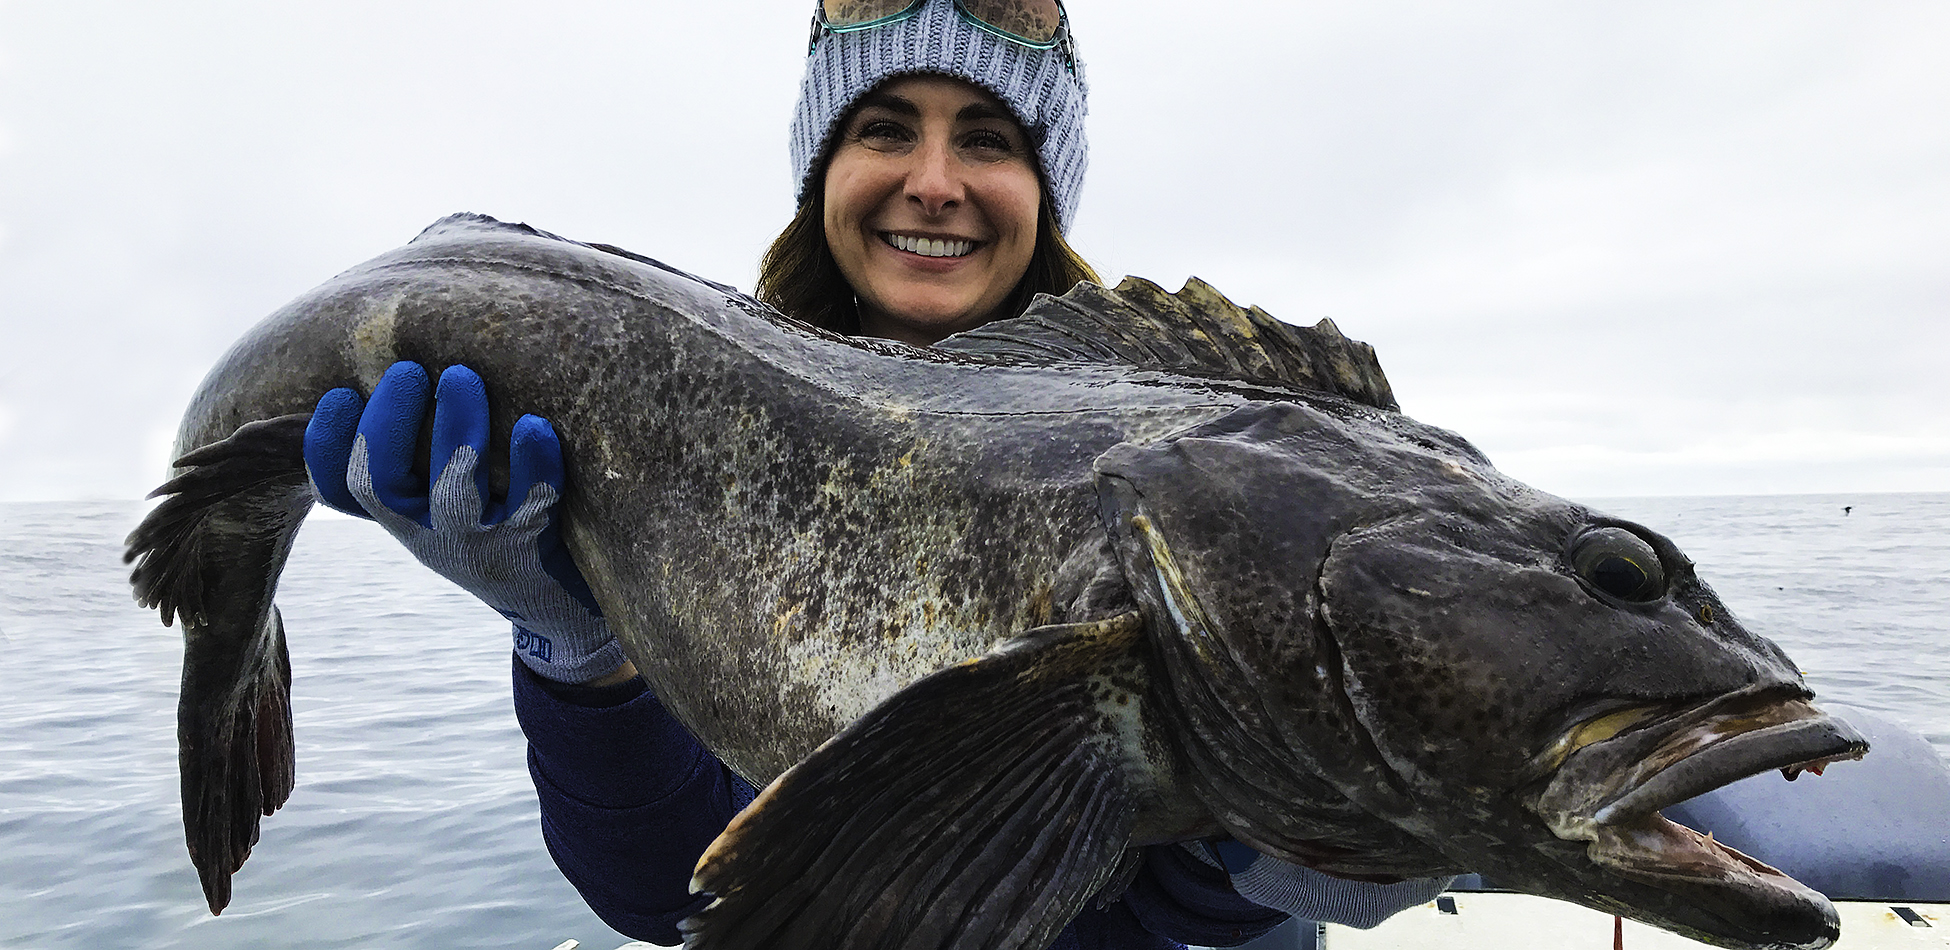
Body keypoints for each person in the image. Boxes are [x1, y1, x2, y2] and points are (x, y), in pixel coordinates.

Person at [303, 1, 1453, 946]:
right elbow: (672, 895)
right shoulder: (670, 436)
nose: (936, 181)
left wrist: (1258, 858)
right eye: (888, 129)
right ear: (825, 171)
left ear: (1044, 189)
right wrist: (582, 653)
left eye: (990, 140)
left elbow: (1159, 906)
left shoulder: (1200, 456)